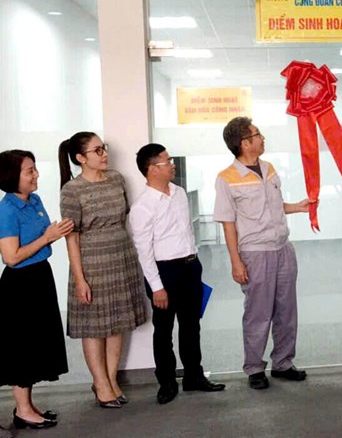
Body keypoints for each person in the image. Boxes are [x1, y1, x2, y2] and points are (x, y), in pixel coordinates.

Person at [213, 117, 311, 390]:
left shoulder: (268, 169)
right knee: (258, 313)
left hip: (283, 249)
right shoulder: (227, 178)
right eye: (257, 134)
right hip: (255, 254)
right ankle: (255, 368)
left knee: (286, 311)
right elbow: (228, 224)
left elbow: (276, 206)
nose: (262, 138)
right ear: (245, 143)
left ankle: (283, 363)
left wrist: (298, 207)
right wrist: (236, 262)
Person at [128, 144, 226, 405]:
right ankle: (167, 382)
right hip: (164, 272)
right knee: (164, 331)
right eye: (166, 161)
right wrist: (157, 287)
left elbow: (186, 232)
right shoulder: (142, 207)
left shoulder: (179, 193)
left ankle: (194, 376)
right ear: (151, 169)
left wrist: (194, 262)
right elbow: (144, 252)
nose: (172, 164)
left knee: (192, 326)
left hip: (190, 267)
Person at [58, 132, 147, 408]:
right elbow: (71, 237)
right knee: (94, 327)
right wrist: (80, 278)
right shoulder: (72, 190)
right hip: (92, 264)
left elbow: (125, 216)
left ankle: (110, 380)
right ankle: (100, 383)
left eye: (104, 148)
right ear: (80, 158)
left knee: (118, 323)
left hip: (122, 258)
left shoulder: (117, 179)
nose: (104, 154)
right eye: (97, 151)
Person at [0, 150, 72, 430]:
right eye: (30, 171)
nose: (36, 174)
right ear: (12, 177)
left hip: (40, 276)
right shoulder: (7, 210)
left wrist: (56, 231)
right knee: (23, 347)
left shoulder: (35, 200)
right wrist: (47, 237)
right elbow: (11, 256)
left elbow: (43, 236)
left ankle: (27, 406)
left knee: (37, 345)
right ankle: (22, 408)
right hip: (20, 284)